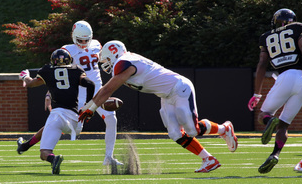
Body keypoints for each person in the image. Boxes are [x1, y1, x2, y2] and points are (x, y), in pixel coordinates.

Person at [78, 40, 238, 173]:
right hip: (166, 95)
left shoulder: (124, 63)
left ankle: (224, 129)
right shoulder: (126, 61)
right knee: (175, 133)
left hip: (179, 88)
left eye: (106, 60)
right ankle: (208, 159)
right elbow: (105, 90)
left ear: (113, 55)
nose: (105, 65)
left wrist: (91, 109)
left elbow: (107, 89)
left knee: (193, 130)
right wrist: (89, 106)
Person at [17, 20, 122, 166]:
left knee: (111, 119)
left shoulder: (97, 44)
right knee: (58, 123)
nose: (84, 42)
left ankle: (109, 157)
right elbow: (60, 74)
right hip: (78, 93)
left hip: (98, 90)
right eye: (80, 40)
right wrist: (49, 94)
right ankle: (27, 145)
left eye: (86, 39)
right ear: (73, 36)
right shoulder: (67, 50)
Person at [18, 49, 96, 174]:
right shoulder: (76, 69)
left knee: (44, 153)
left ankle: (53, 159)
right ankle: (25, 146)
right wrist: (88, 105)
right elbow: (90, 84)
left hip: (58, 115)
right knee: (48, 127)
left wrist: (24, 76)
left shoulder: (47, 70)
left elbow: (31, 84)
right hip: (76, 120)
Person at [247, 8, 302, 173]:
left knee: (263, 115)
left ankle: (268, 121)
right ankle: (275, 154)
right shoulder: (298, 28)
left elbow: (262, 64)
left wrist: (256, 94)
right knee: (284, 125)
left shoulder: (266, 37)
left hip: (285, 77)